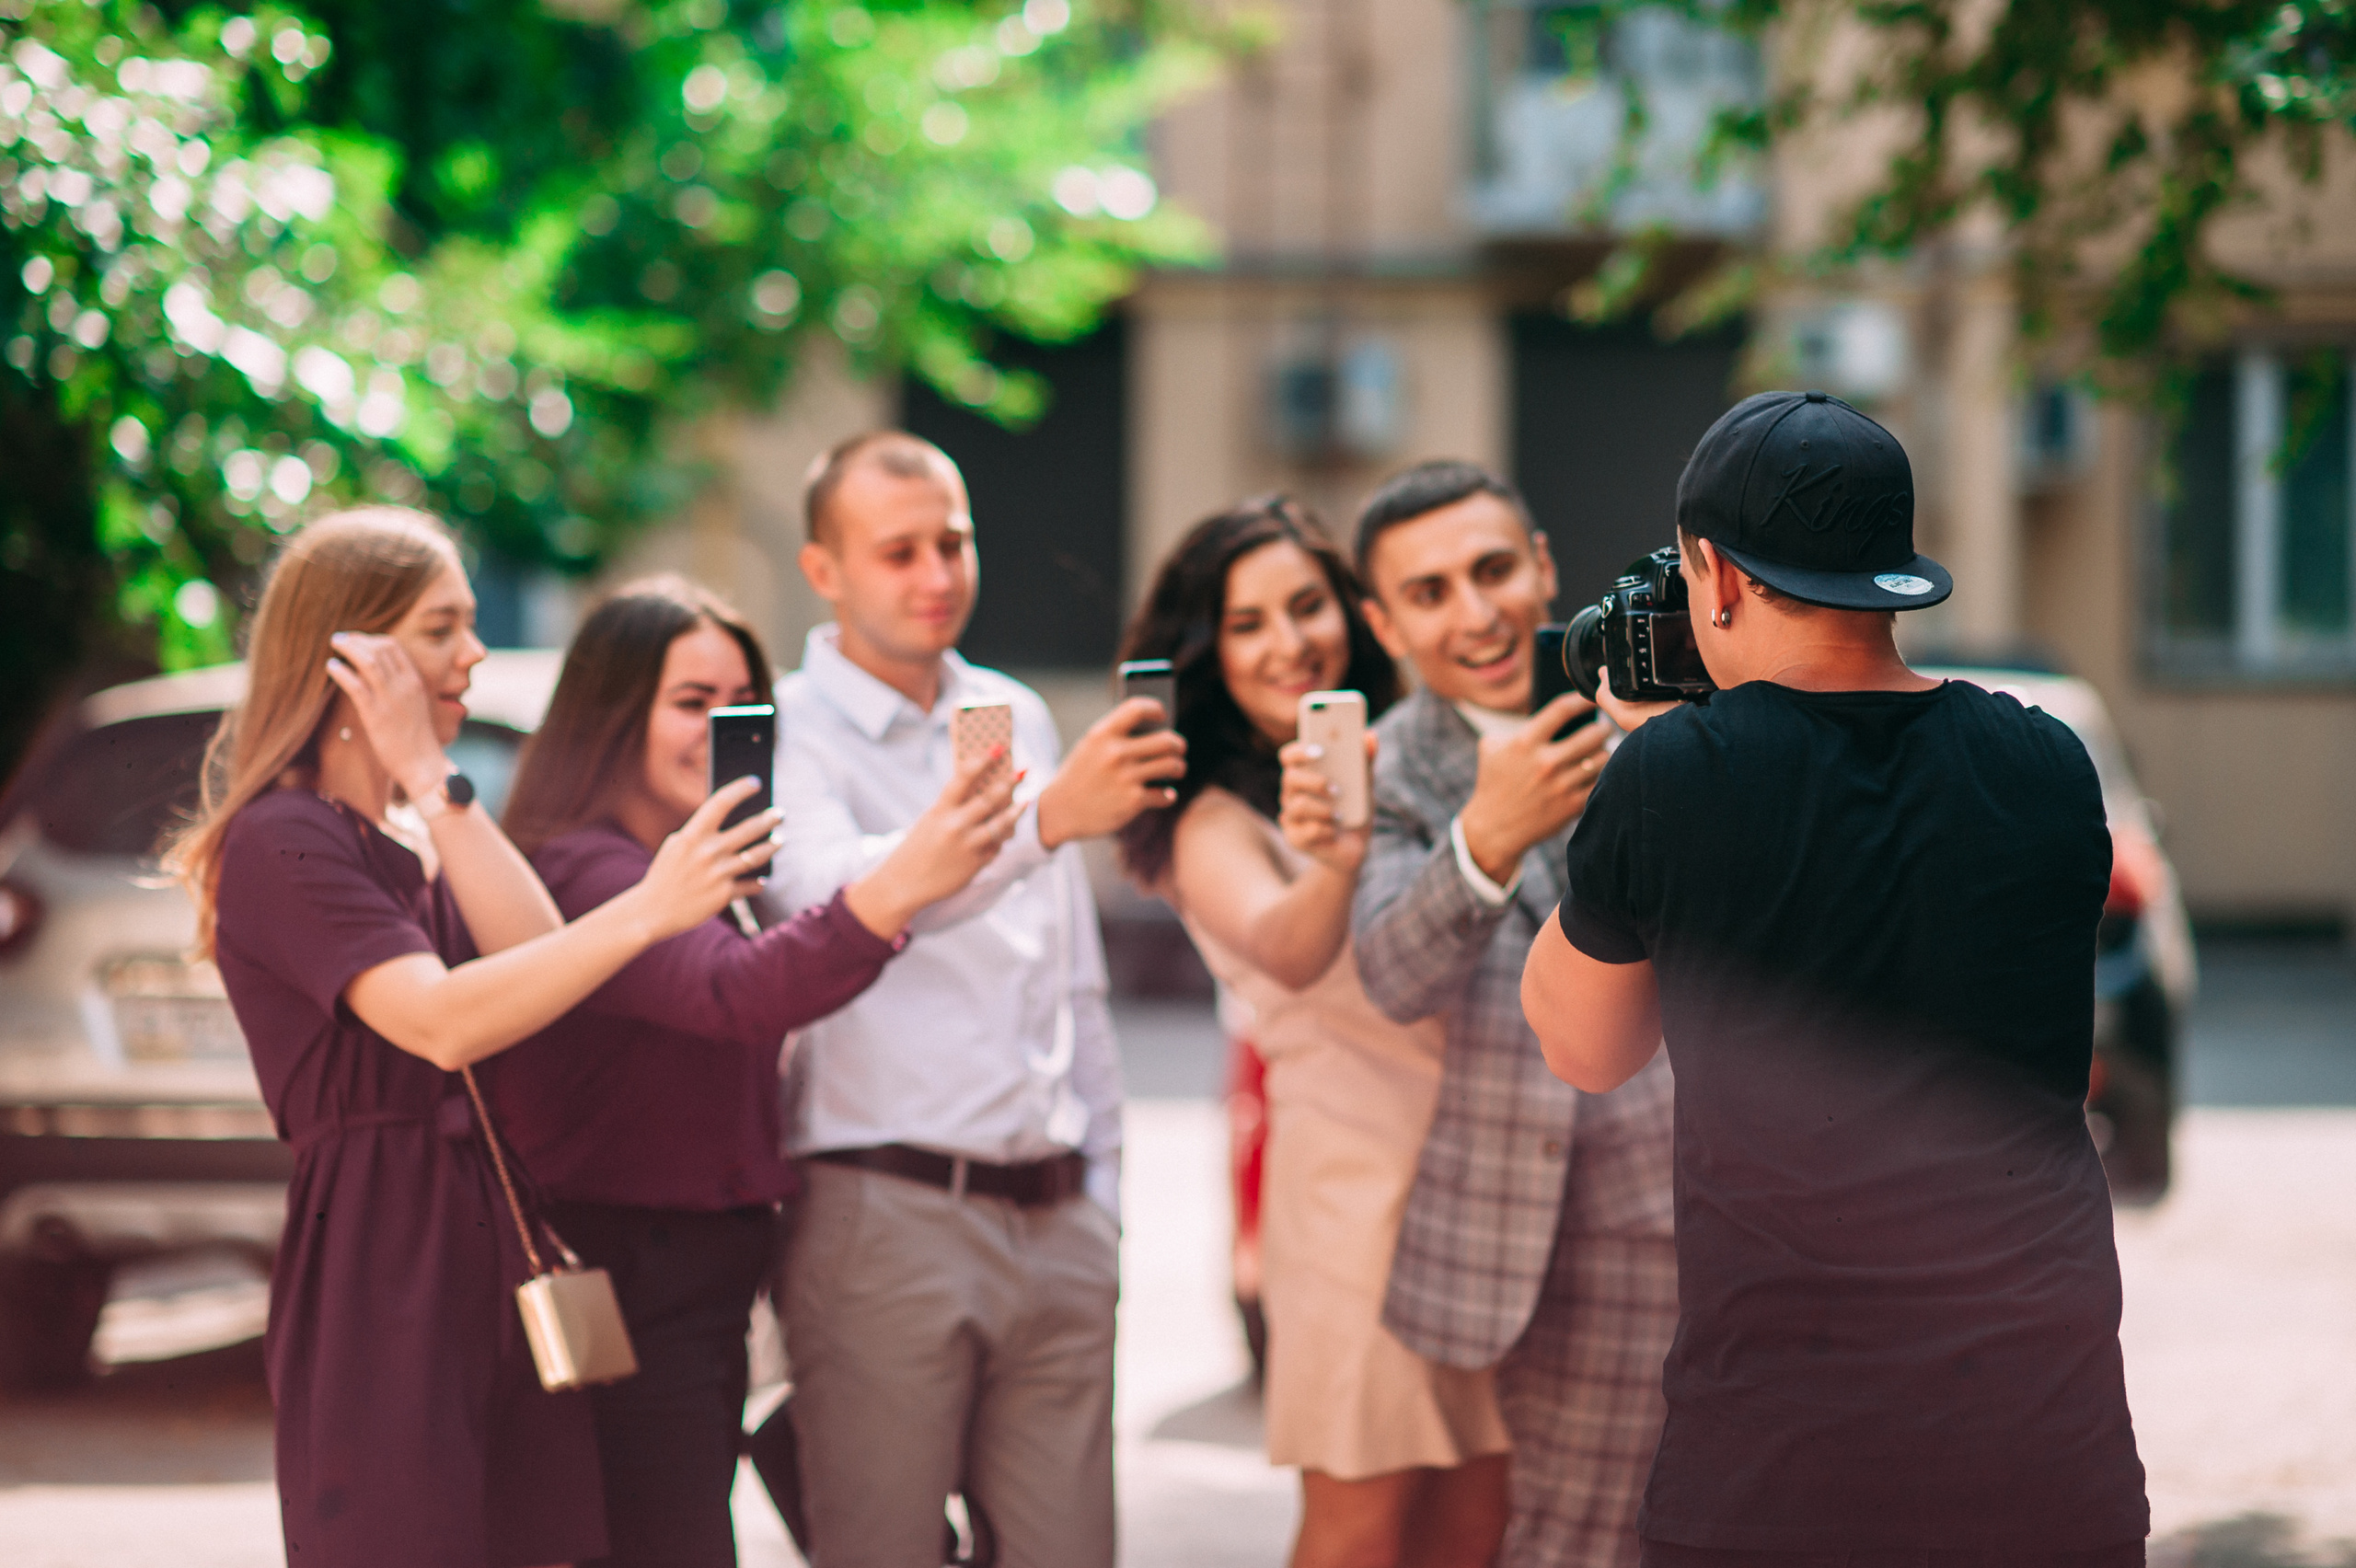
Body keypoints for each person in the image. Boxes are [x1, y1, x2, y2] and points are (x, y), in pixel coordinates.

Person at [1521, 390, 2149, 1565]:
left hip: (1785, 1460)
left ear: (1714, 573)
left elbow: (1583, 1046)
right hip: (2047, 1447)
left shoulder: (1672, 781)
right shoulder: (2047, 760)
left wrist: (1644, 753)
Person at [167, 509, 776, 1568]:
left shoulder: (412, 832)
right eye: (444, 628)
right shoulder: (282, 837)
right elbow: (443, 1024)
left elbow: (535, 949)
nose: (475, 653)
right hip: (379, 1248)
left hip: (484, 1234)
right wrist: (651, 906)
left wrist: (427, 779)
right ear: (356, 656)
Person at [476, 576, 1022, 1568]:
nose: (727, 730)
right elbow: (736, 992)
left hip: (707, 1276)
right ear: (609, 716)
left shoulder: (698, 866)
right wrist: (906, 879)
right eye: (693, 703)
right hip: (627, 1274)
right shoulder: (585, 870)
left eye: (744, 706)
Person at [763, 431, 1186, 1568]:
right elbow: (829, 905)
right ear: (824, 570)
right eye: (896, 551)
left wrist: (1103, 1194)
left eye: (951, 541)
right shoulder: (787, 727)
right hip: (882, 1207)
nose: (935, 573)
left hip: (1054, 1217)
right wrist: (1040, 820)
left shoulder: (1013, 714)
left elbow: (1071, 979)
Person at [1116, 497, 1512, 1568]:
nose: (1289, 640)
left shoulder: (1420, 752)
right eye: (1247, 623)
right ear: (1208, 654)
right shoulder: (1210, 817)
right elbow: (1288, 948)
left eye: (1306, 605)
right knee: (1358, 1530)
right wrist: (1337, 852)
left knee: (1479, 1525)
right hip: (1352, 1209)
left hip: (1491, 1194)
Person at [1348, 461, 1679, 1568]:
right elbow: (1391, 976)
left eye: (1492, 569)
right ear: (1382, 621)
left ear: (1541, 567)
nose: (1475, 612)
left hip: (1740, 1206)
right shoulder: (1387, 767)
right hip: (1550, 1238)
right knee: (1571, 1546)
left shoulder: (1666, 707)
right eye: (1429, 591)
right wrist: (1484, 840)